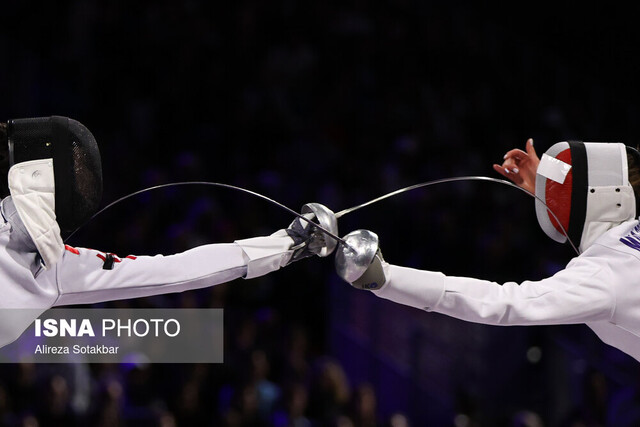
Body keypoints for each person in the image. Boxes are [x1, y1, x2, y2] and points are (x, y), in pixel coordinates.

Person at [0, 116, 336, 347]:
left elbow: (175, 271)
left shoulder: (56, 267)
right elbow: (176, 271)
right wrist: (289, 245)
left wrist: (286, 246)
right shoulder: (56, 270)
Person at [337, 138, 640, 362]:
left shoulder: (604, 275)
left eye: (568, 192)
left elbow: (501, 302)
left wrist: (388, 279)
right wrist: (553, 192)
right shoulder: (616, 256)